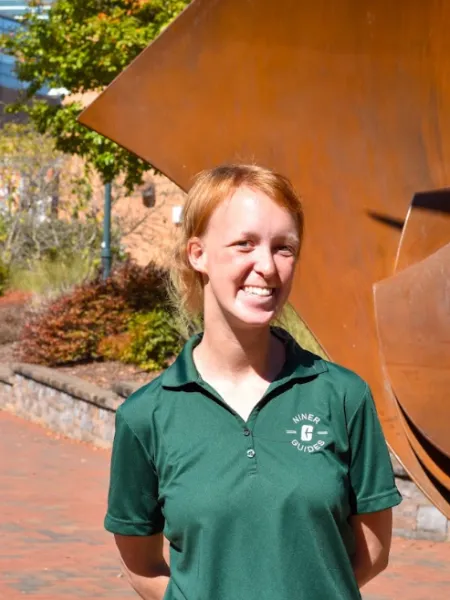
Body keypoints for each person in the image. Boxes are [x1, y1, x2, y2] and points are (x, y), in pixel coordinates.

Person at [105, 164, 402, 600]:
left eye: (284, 248)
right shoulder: (145, 417)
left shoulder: (342, 396)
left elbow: (373, 554)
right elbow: (141, 565)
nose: (267, 266)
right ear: (197, 253)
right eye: (244, 243)